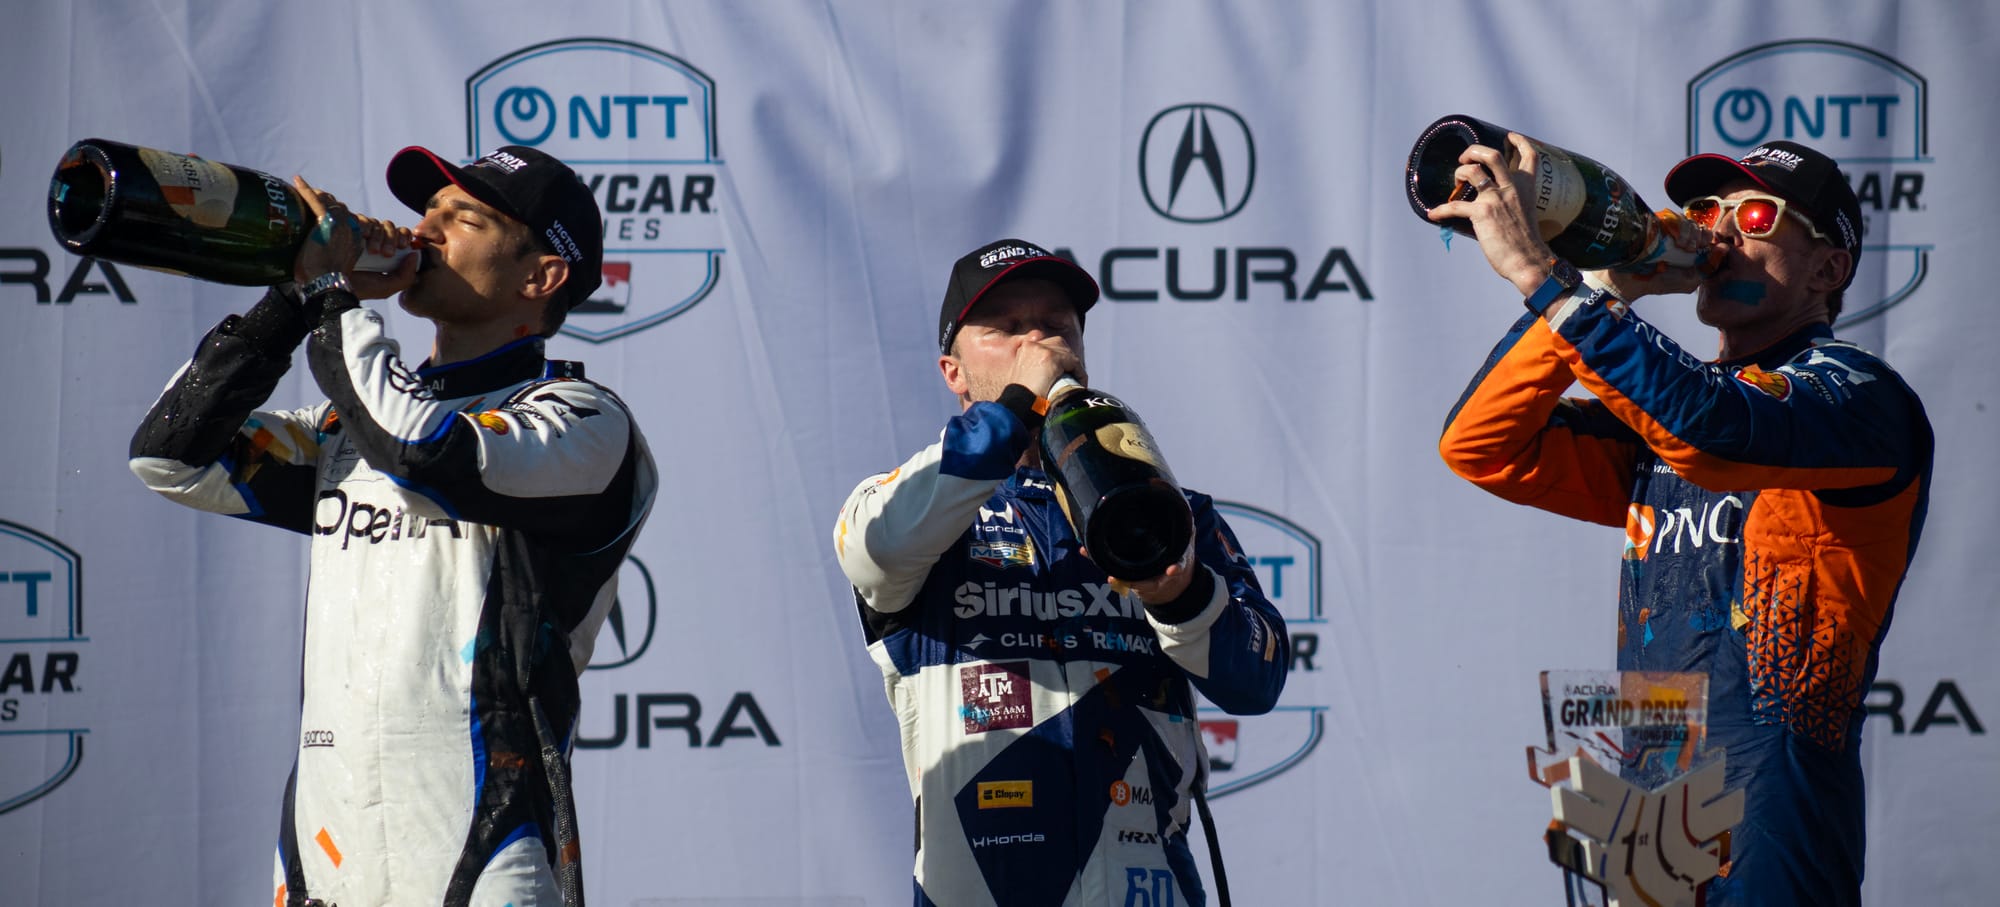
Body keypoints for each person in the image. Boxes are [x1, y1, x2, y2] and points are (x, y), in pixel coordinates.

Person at [129, 145, 657, 906]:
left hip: (479, 846)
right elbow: (168, 455)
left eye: (463, 218)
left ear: (540, 276)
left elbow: (421, 452)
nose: (425, 230)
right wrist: (285, 303)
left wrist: (331, 295)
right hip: (325, 842)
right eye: (428, 210)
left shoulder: (586, 424)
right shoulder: (349, 421)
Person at [1433, 137, 1931, 905]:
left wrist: (1546, 279)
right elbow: (1481, 446)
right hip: (1650, 806)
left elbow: (1715, 433)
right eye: (1706, 211)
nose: (1720, 232)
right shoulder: (1662, 413)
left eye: (1756, 214)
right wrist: (1604, 284)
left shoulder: (1862, 398)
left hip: (1771, 813)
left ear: (1829, 270)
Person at [832, 238, 1289, 906]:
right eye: (1008, 328)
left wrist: (1179, 593)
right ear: (952, 371)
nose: (1039, 340)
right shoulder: (914, 512)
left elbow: (1257, 678)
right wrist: (1015, 409)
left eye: (1056, 323)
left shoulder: (1166, 514)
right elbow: (880, 544)